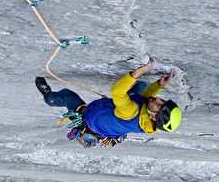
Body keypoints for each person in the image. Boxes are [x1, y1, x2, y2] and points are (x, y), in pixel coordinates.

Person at [37, 58, 179, 144]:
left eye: (159, 104)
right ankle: (126, 97)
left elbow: (116, 92)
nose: (159, 99)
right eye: (163, 100)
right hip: (110, 122)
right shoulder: (148, 121)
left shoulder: (131, 111)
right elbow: (145, 101)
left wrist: (136, 73)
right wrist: (160, 85)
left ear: (153, 116)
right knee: (141, 88)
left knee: (66, 96)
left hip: (91, 118)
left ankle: (47, 95)